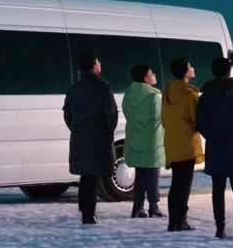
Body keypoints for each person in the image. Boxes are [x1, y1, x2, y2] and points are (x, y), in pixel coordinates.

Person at [195, 56, 233, 239]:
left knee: (218, 188)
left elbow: (201, 123)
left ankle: (220, 227)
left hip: (216, 147)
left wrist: (212, 136)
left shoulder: (206, 97)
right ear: (229, 71)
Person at [63, 51, 118, 225]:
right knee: (93, 177)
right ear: (94, 65)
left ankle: (85, 210)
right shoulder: (103, 87)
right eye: (98, 61)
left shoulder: (73, 89)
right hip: (98, 138)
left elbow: (68, 116)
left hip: (80, 138)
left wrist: (78, 129)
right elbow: (111, 116)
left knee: (86, 176)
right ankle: (89, 213)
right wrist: (106, 131)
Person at [160, 57, 204, 231]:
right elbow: (197, 120)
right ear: (186, 72)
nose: (193, 68)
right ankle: (180, 221)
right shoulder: (190, 94)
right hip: (187, 145)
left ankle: (173, 220)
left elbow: (164, 119)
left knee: (176, 184)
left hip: (172, 143)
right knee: (184, 185)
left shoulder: (167, 91)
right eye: (190, 66)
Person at [122, 63, 165, 219]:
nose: (154, 75)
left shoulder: (129, 94)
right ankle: (154, 206)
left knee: (140, 174)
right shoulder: (154, 96)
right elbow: (160, 116)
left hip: (135, 138)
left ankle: (138, 206)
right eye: (152, 73)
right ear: (145, 78)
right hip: (153, 139)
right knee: (153, 173)